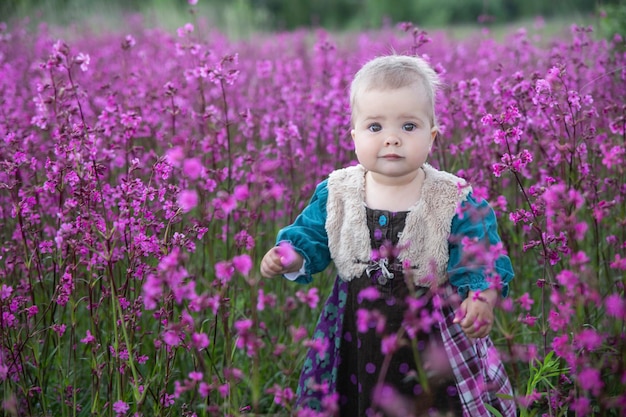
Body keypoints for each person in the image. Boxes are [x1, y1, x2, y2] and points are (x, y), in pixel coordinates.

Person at [260, 55, 516, 417]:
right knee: (355, 399)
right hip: (355, 330)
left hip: (432, 334)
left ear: (432, 136)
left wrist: (481, 298)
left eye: (408, 127)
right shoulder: (338, 191)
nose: (392, 139)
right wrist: (290, 254)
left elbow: (481, 255)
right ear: (354, 135)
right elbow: (313, 234)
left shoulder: (451, 196)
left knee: (434, 403)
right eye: (375, 127)